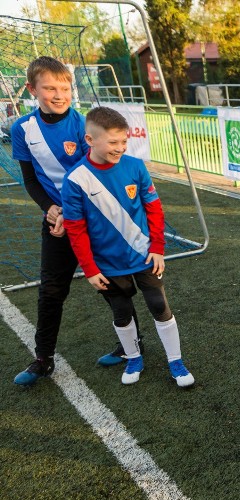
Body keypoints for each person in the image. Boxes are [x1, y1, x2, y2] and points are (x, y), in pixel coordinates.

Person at [11, 56, 140, 387]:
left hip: (94, 222)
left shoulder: (86, 126)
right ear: (32, 89)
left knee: (115, 285)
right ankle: (43, 359)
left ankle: (131, 349)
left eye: (64, 88)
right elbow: (30, 180)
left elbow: (96, 178)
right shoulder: (22, 129)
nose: (58, 94)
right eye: (50, 88)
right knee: (51, 290)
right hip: (56, 223)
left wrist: (70, 214)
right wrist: (49, 209)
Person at [60, 106, 194, 388]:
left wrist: (157, 246)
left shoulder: (135, 166)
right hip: (106, 264)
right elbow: (75, 229)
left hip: (145, 255)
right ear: (90, 140)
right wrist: (90, 268)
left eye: (123, 141)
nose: (120, 148)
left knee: (159, 305)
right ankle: (133, 357)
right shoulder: (75, 179)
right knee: (121, 313)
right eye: (112, 142)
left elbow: (154, 209)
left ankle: (176, 361)